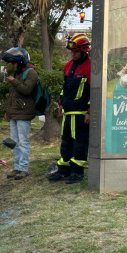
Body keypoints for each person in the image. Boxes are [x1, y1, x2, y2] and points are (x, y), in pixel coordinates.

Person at [48, 34, 91, 184]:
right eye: (71, 51)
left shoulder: (91, 66)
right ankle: (64, 170)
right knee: (66, 141)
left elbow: (94, 90)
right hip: (67, 110)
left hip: (81, 112)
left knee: (80, 141)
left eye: (75, 51)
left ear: (83, 51)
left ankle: (77, 172)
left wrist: (89, 111)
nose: (72, 53)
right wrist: (60, 103)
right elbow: (64, 88)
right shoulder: (68, 65)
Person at [2, 47, 38, 180]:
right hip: (14, 113)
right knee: (14, 142)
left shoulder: (31, 73)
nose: (12, 65)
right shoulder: (18, 73)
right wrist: (8, 110)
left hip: (24, 113)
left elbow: (27, 90)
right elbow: (12, 95)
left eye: (13, 63)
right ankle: (17, 167)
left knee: (23, 141)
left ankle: (24, 168)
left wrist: (13, 81)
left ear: (21, 62)